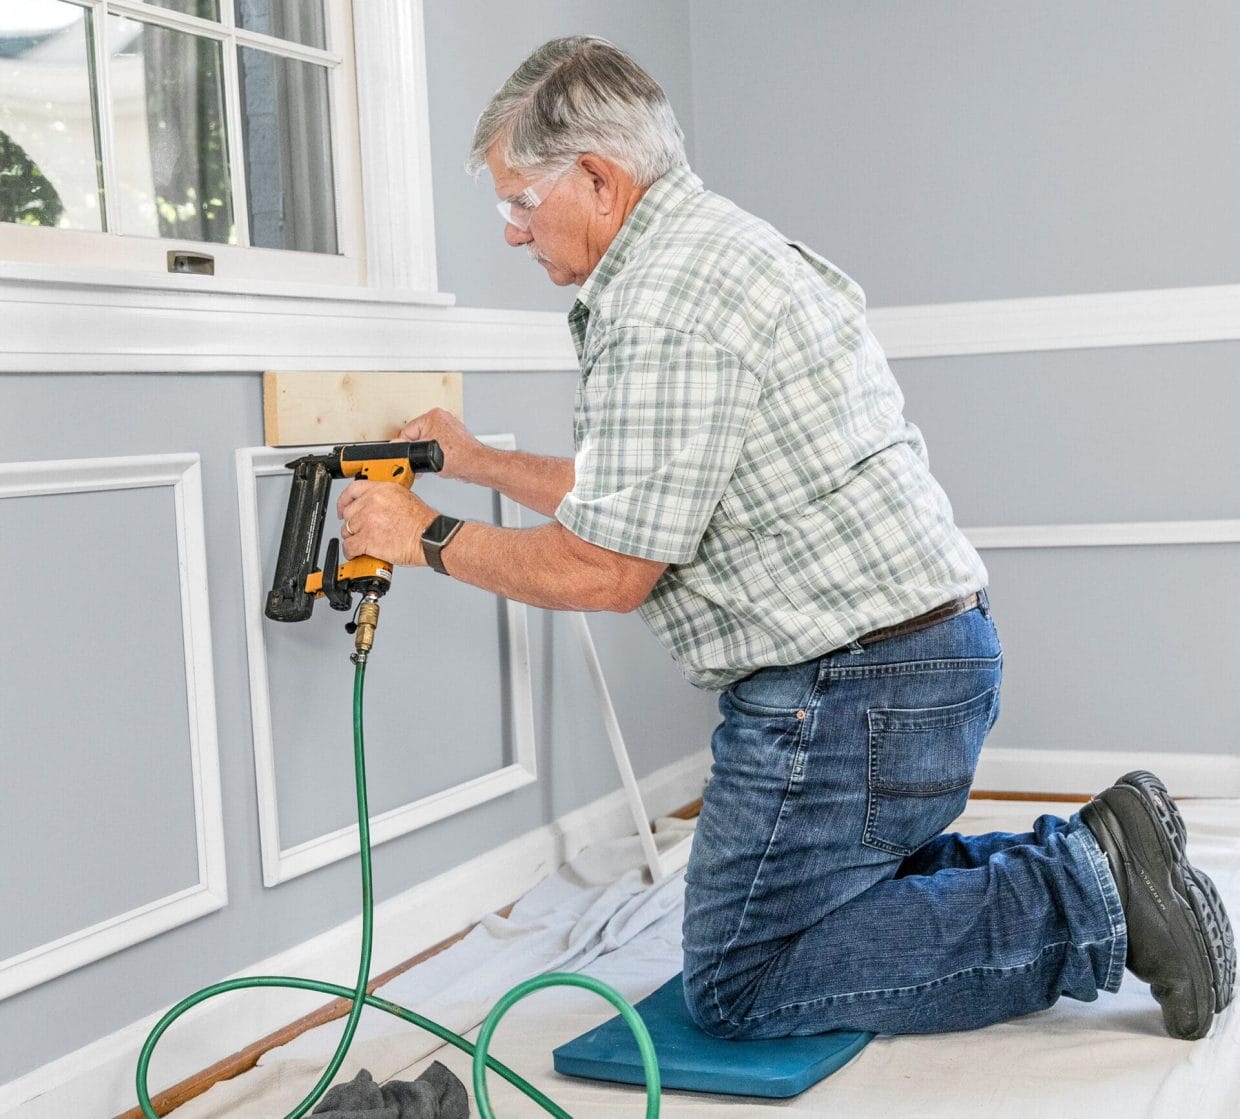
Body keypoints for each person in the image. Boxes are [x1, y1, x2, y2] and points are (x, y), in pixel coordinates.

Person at [338, 35, 1235, 1041]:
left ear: (597, 179)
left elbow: (609, 565)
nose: (512, 232)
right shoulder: (714, 252)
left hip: (852, 693)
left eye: (519, 201)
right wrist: (480, 465)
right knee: (834, 904)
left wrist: (424, 536)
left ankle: (1091, 898)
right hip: (915, 665)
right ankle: (1106, 854)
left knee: (743, 979)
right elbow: (644, 495)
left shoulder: (663, 306)